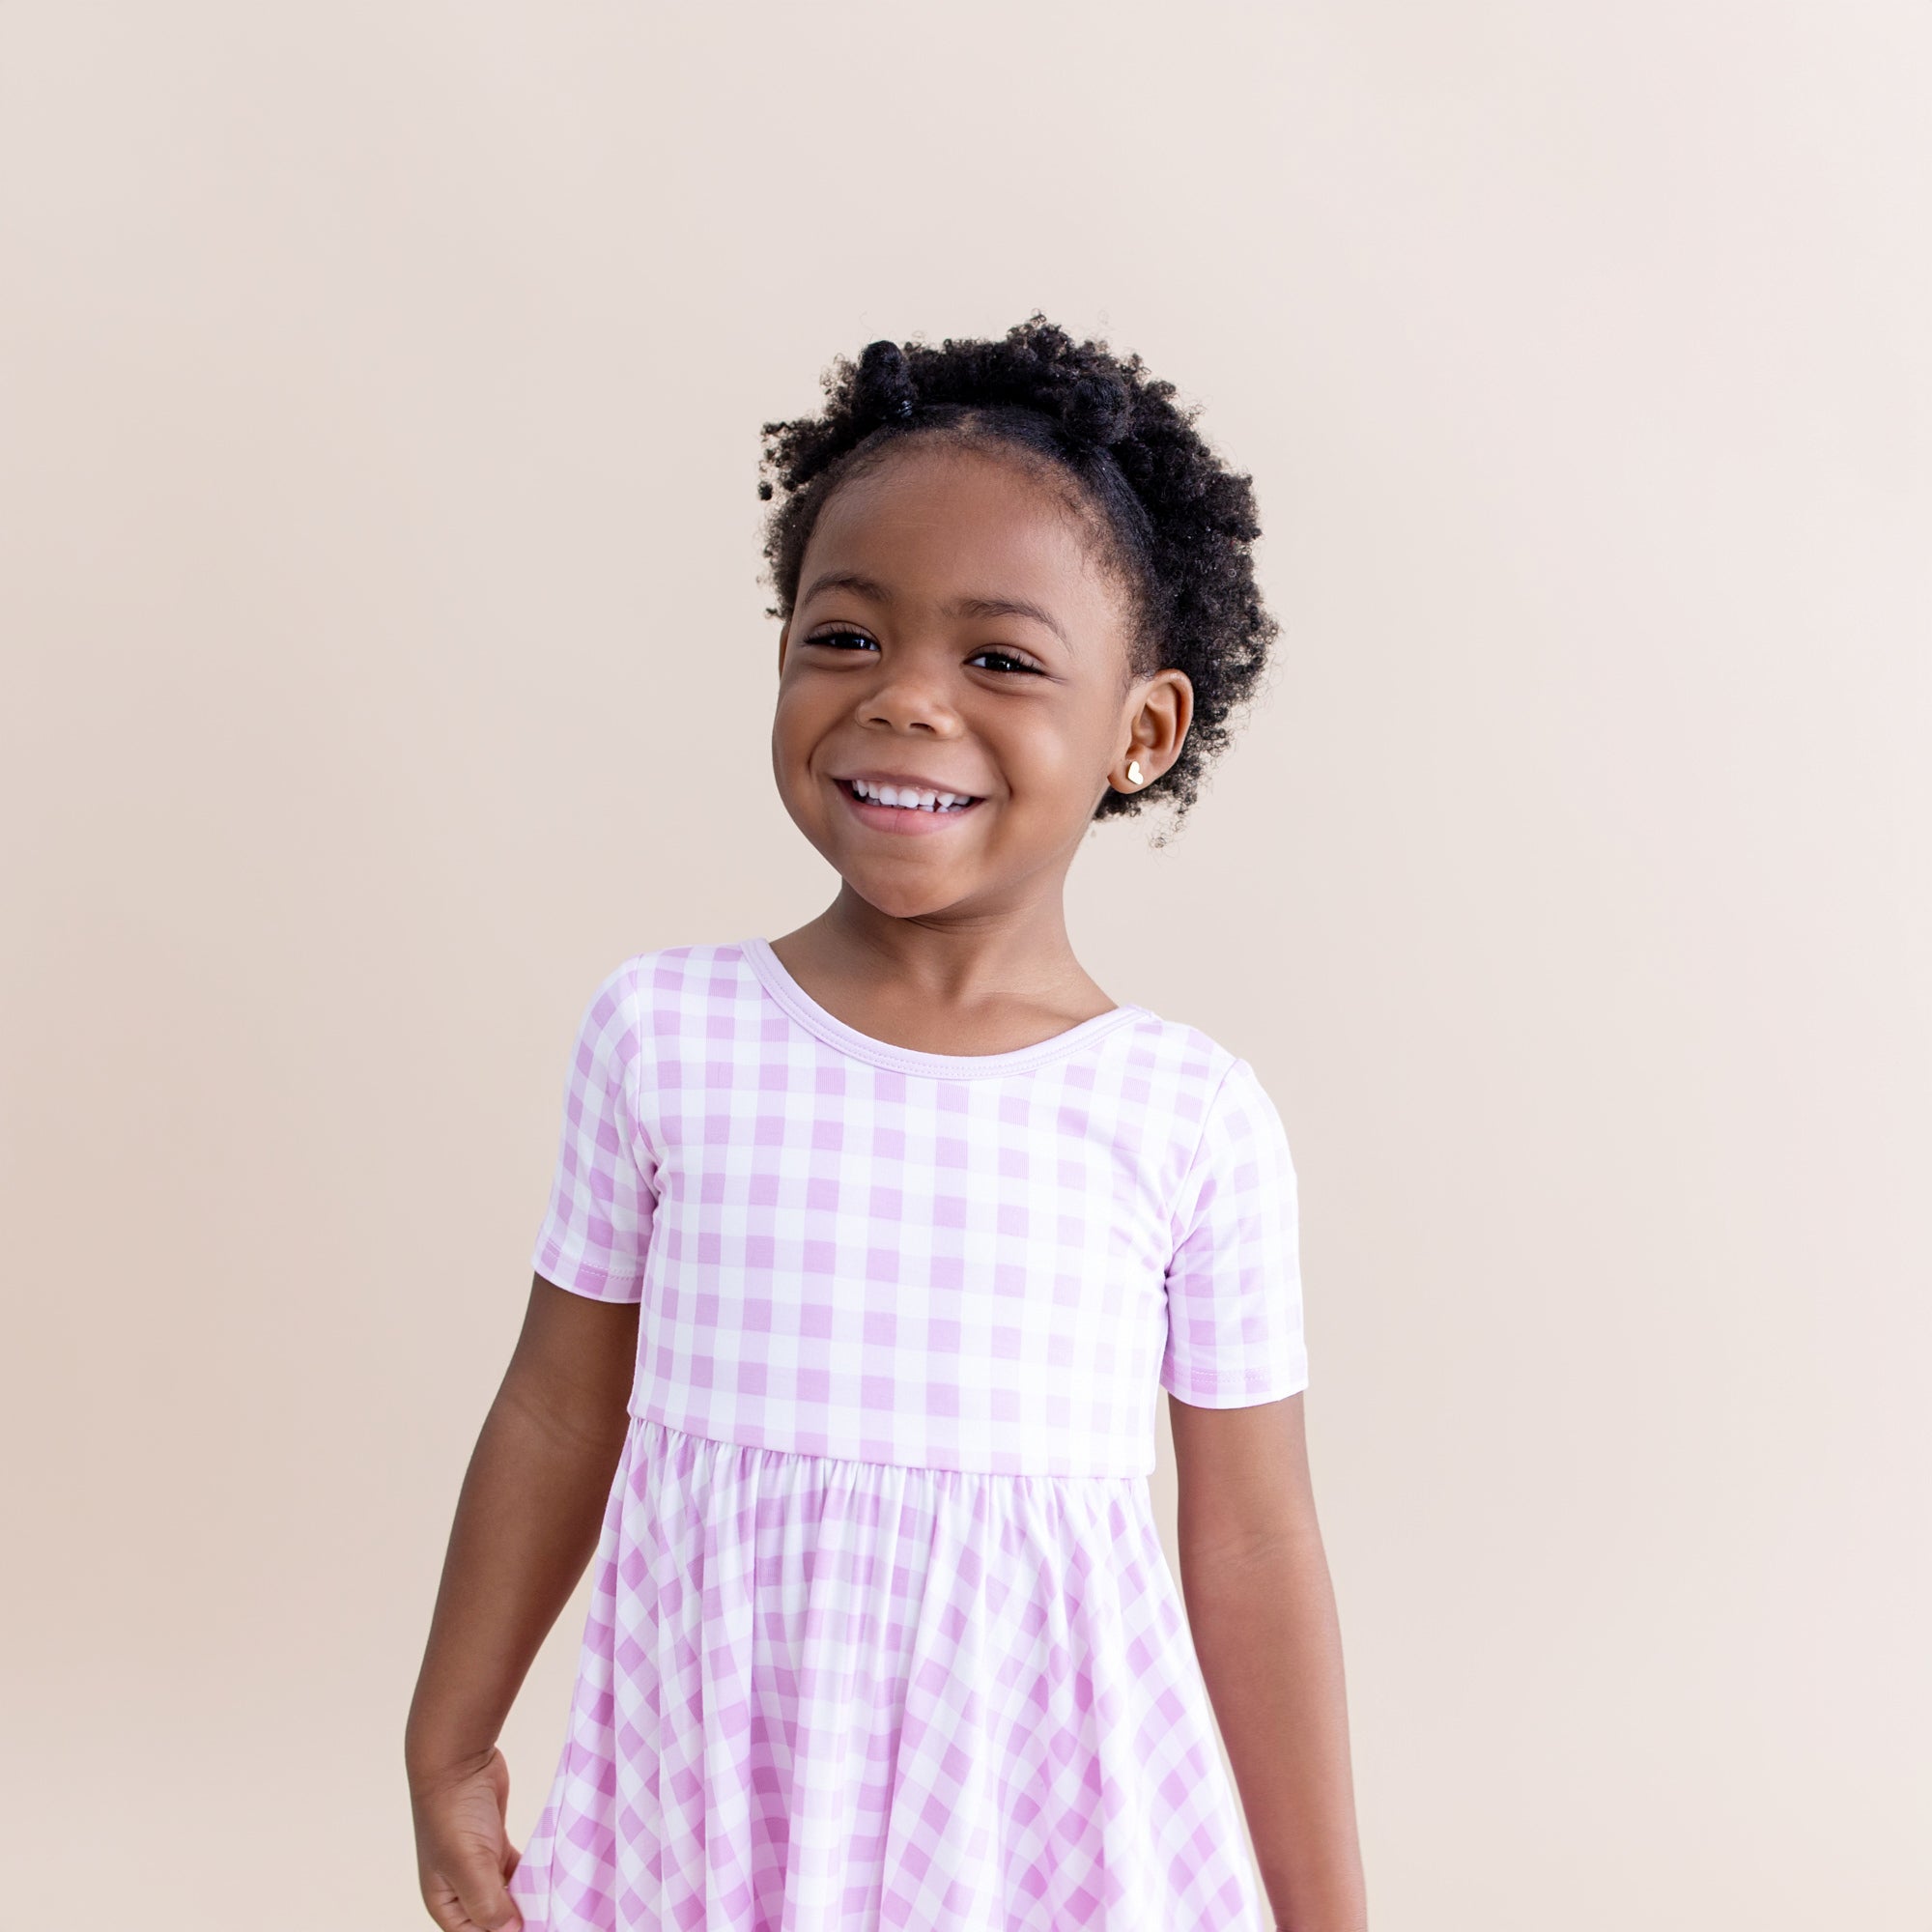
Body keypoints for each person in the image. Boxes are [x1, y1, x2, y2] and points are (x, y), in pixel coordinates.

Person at [404, 315, 1368, 1932]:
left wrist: (1330, 1917)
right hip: (713, 1801)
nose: (908, 701)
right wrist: (448, 1736)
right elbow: (560, 1414)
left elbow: (1255, 1544)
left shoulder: (1185, 1116)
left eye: (999, 659)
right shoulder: (666, 1036)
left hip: (1024, 1824)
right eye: (846, 637)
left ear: (1140, 731)